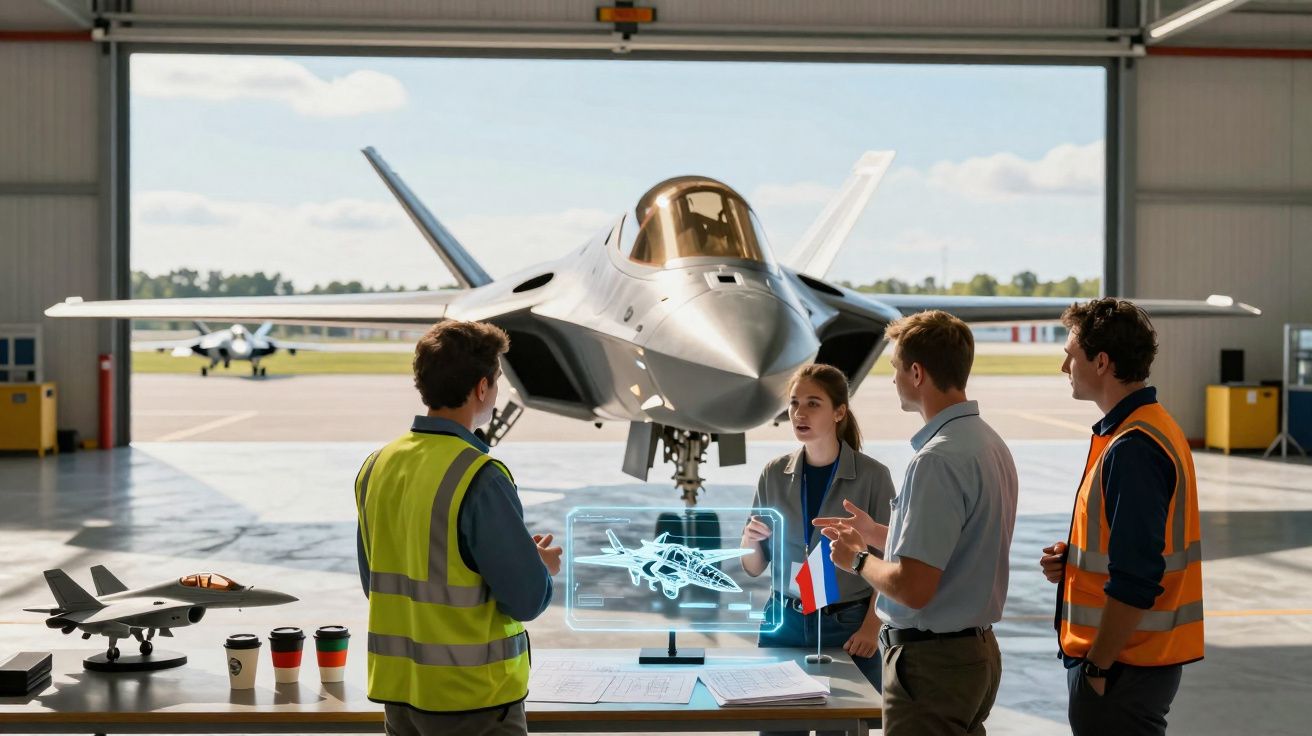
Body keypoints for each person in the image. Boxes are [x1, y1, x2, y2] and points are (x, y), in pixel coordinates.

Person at [354, 320, 561, 736]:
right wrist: (540, 567)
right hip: (473, 703)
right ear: (482, 389)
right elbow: (526, 600)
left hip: (402, 699)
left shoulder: (377, 465)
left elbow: (377, 582)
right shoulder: (479, 476)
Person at [817, 310, 1017, 736]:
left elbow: (913, 586)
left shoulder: (936, 461)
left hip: (932, 670)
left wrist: (857, 559)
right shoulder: (988, 443)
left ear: (916, 372)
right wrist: (878, 535)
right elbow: (956, 549)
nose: (892, 380)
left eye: (894, 368)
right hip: (974, 654)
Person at [1039, 298, 1203, 736]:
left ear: (1102, 363)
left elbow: (1137, 575)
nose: (1064, 367)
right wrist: (1073, 559)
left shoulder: (1133, 447)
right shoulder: (1148, 427)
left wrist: (1096, 666)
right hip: (1135, 664)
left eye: (1071, 355)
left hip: (1121, 670)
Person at [740, 363, 896, 714]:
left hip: (848, 628)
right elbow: (752, 567)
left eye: (813, 403)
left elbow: (890, 560)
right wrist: (750, 541)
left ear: (839, 411)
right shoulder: (774, 474)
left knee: (843, 724)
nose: (800, 413)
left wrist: (872, 627)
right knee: (779, 726)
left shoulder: (872, 476)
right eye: (795, 403)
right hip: (784, 622)